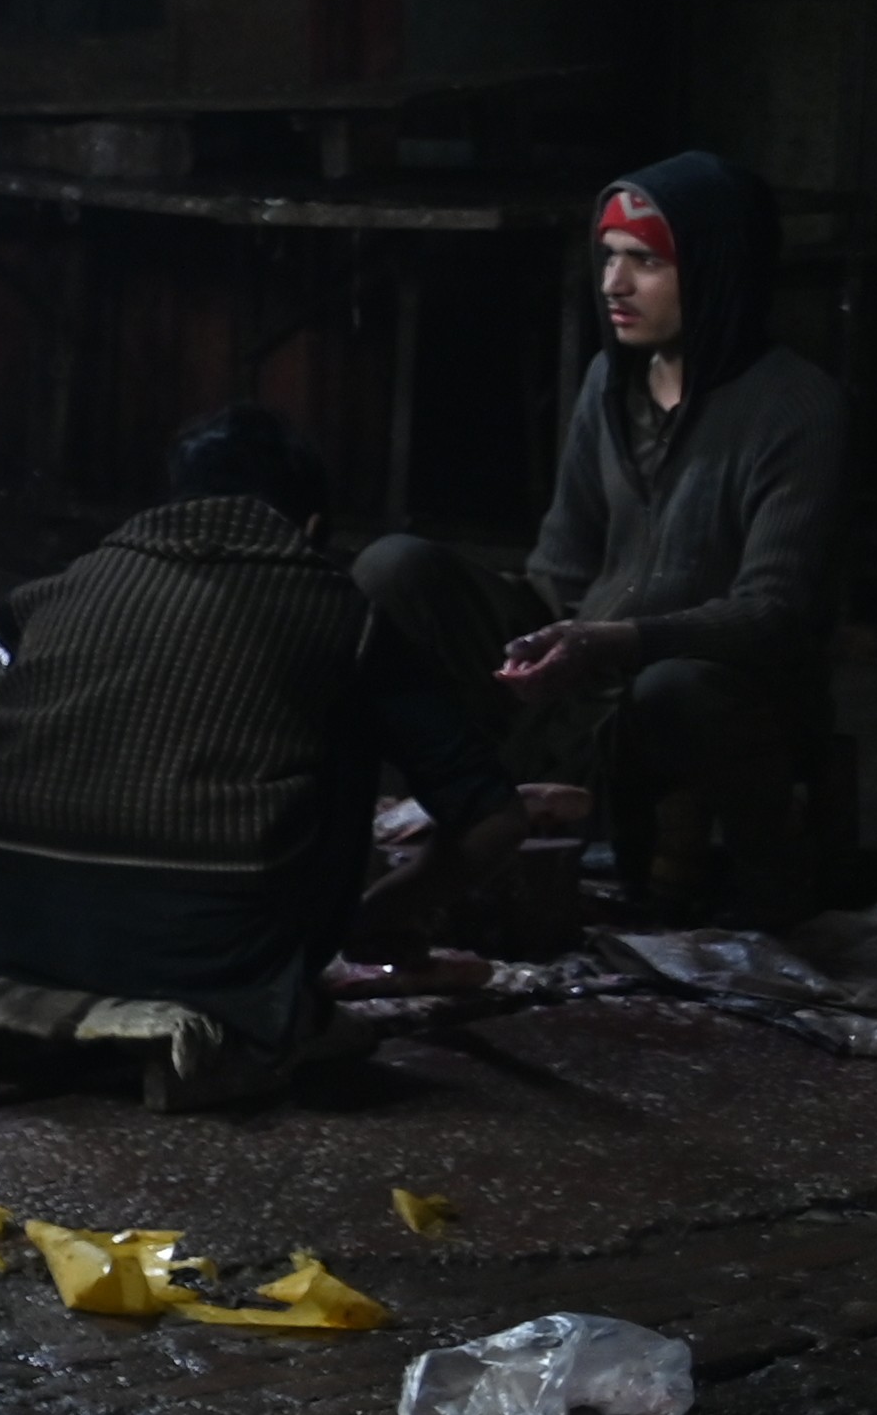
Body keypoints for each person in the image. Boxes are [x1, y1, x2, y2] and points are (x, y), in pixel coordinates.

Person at [0, 403, 515, 1101]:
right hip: (209, 954)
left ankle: (61, 1000)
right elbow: (491, 817)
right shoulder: (341, 611)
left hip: (12, 939)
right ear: (309, 526)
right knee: (340, 717)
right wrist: (383, 917)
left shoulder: (54, 592)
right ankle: (254, 1018)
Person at [356, 150, 847, 923]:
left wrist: (617, 641)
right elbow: (564, 563)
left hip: (700, 677)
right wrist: (540, 645)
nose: (614, 285)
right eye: (610, 257)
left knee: (676, 689)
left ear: (717, 268)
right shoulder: (609, 381)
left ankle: (771, 878)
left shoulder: (795, 405)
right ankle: (455, 818)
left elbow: (776, 611)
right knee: (395, 568)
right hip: (593, 654)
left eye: (645, 262)